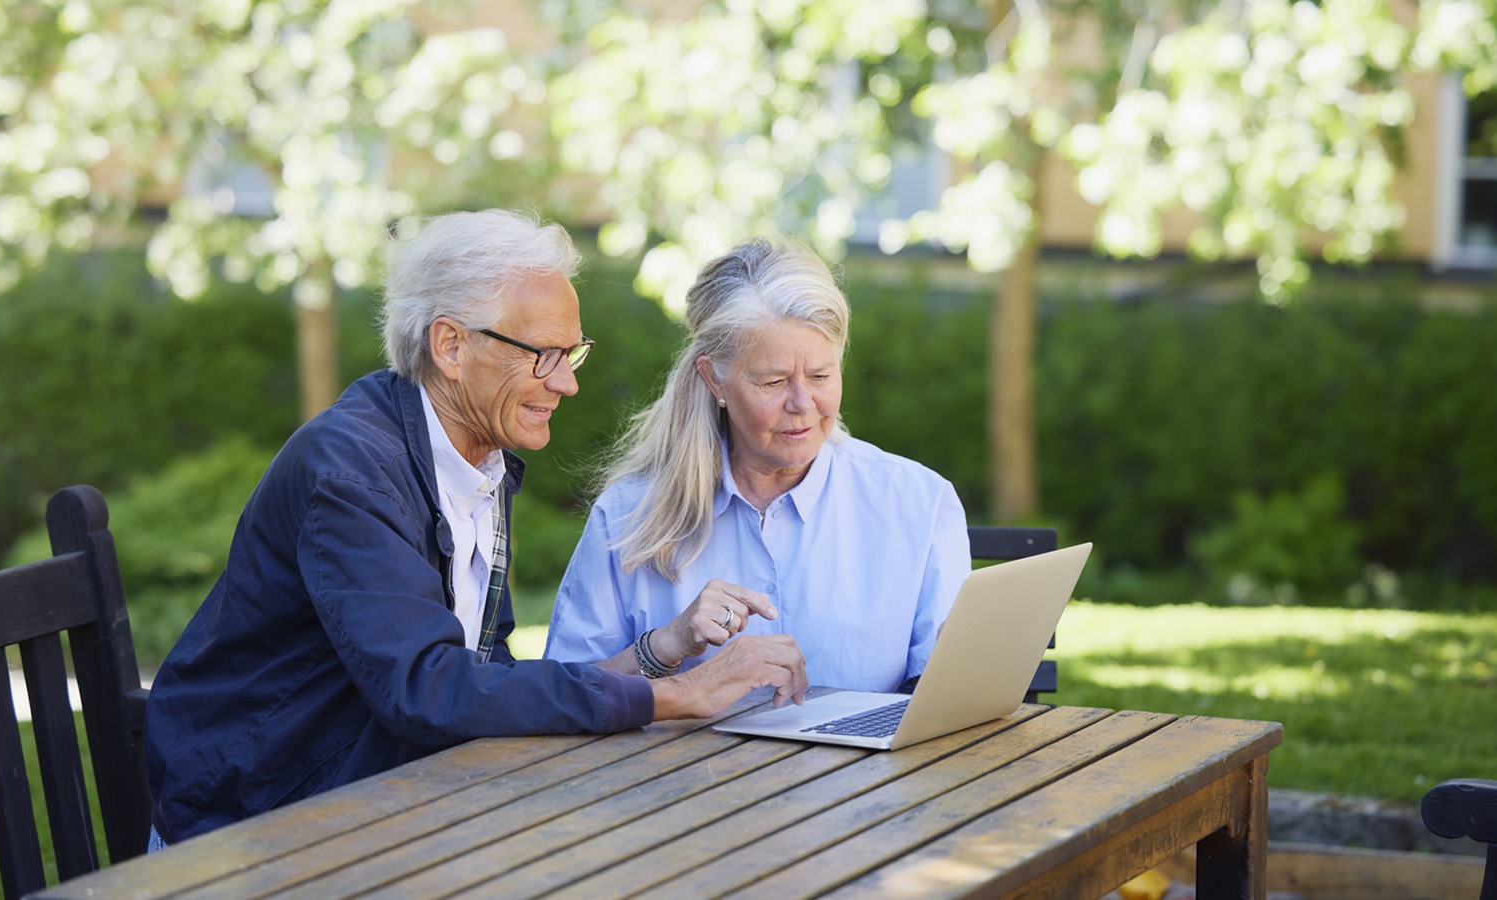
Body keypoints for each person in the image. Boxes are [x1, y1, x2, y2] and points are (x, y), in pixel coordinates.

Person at [143, 210, 806, 849]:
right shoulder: (350, 472)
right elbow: (428, 689)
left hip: (374, 811)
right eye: (544, 354)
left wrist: (661, 649)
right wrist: (677, 695)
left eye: (571, 353)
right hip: (252, 831)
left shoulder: (475, 460)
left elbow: (485, 688)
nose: (567, 382)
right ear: (451, 346)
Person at [544, 237, 971, 693]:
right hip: (685, 767)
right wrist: (667, 644)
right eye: (774, 380)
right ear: (714, 379)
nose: (803, 403)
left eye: (821, 376)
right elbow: (562, 695)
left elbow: (952, 695)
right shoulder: (628, 514)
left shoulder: (917, 502)